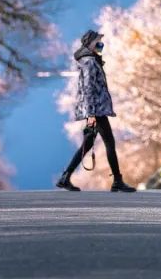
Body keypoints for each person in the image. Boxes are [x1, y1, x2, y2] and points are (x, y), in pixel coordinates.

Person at [56, 29, 137, 192]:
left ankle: (65, 177)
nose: (101, 44)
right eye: (98, 41)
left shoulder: (91, 60)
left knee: (88, 143)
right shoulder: (90, 62)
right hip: (96, 110)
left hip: (95, 108)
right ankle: (117, 181)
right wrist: (91, 114)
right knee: (110, 143)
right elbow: (88, 88)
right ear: (90, 44)